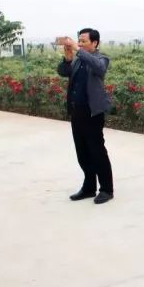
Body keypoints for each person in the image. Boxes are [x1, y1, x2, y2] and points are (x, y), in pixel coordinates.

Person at [57, 28, 114, 204]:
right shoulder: (78, 60)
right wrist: (68, 58)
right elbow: (63, 72)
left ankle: (106, 189)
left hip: (92, 113)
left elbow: (99, 68)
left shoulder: (101, 58)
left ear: (94, 43)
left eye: (83, 41)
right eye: (78, 41)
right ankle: (89, 188)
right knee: (82, 152)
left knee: (97, 151)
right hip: (77, 112)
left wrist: (77, 49)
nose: (79, 44)